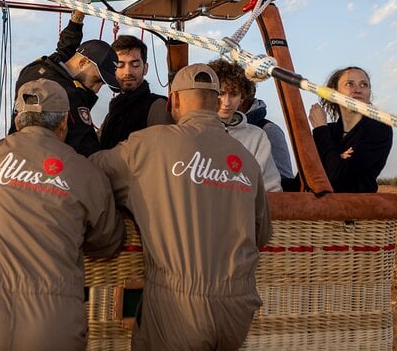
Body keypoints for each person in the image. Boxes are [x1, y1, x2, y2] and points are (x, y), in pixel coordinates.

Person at [90, 63, 272, 351]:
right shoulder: (245, 159)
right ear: (215, 102)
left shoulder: (147, 146)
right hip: (238, 306)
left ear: (173, 100)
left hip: (179, 303)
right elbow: (261, 233)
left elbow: (89, 174)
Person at [0, 78, 125, 351]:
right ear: (65, 123)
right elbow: (107, 243)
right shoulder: (87, 173)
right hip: (53, 324)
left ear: (18, 119)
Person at [9, 0, 120, 157]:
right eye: (97, 80)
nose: (97, 89)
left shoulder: (37, 70)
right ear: (84, 61)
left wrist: (80, 11)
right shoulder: (70, 96)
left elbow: (65, 51)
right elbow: (88, 152)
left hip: (14, 159)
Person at [308, 66, 393, 192]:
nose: (358, 90)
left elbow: (338, 176)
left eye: (363, 85)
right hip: (319, 207)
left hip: (355, 207)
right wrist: (337, 157)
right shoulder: (329, 131)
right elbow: (308, 175)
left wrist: (320, 129)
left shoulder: (379, 129)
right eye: (349, 84)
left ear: (369, 92)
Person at [208, 59, 282, 192]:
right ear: (208, 94)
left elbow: (271, 189)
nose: (227, 102)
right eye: (221, 94)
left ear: (242, 97)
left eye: (234, 94)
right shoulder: (192, 132)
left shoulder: (257, 137)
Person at [98, 34, 173, 149]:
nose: (128, 71)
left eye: (135, 65)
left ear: (145, 68)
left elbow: (161, 154)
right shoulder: (114, 111)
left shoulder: (157, 106)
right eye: (120, 65)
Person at [239, 87, 294, 179]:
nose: (225, 101)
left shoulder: (268, 130)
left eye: (233, 93)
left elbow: (284, 182)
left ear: (247, 97)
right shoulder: (213, 129)